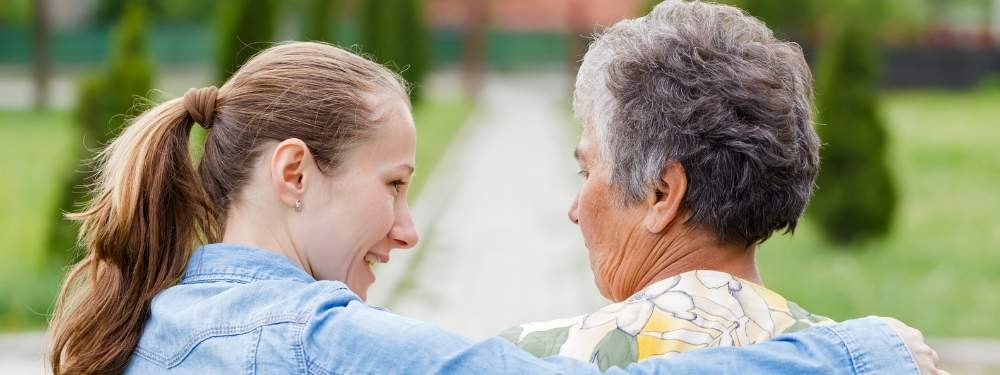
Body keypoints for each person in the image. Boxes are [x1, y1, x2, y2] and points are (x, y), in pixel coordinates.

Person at [47, 41, 937, 374]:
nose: (408, 226)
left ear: (664, 192)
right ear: (293, 172)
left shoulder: (158, 320)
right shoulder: (310, 342)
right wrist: (862, 350)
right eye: (393, 184)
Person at [500, 1, 859, 369]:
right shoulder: (862, 357)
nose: (574, 211)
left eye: (587, 173)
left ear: (662, 194)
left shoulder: (535, 358)